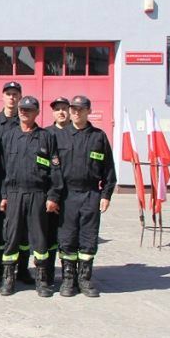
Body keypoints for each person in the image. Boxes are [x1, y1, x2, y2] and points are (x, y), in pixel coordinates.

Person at [0, 96, 64, 297]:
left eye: (28, 109)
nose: (24, 112)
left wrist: (53, 196)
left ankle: (42, 281)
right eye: (21, 109)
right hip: (14, 194)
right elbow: (2, 169)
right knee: (11, 237)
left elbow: (55, 169)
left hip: (37, 195)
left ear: (37, 112)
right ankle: (8, 279)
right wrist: (4, 195)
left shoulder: (46, 137)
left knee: (40, 239)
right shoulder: (9, 136)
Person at [56, 95, 116, 298]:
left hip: (91, 193)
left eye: (80, 109)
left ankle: (85, 278)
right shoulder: (60, 136)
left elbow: (109, 170)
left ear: (88, 111)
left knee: (88, 238)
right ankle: (68, 279)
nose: (76, 112)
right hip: (67, 195)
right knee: (67, 239)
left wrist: (106, 194)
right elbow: (52, 171)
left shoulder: (98, 137)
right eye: (73, 109)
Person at [0, 81, 23, 285]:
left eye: (15, 94)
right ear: (3, 96)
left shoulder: (25, 120)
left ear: (20, 97)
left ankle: (21, 269)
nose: (12, 97)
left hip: (18, 184)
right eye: (8, 94)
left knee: (18, 228)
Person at [45, 96, 72, 284]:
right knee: (48, 236)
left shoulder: (77, 132)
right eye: (57, 109)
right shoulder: (45, 134)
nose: (61, 112)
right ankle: (46, 274)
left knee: (68, 236)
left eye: (64, 108)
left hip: (71, 195)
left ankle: (68, 275)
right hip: (49, 196)